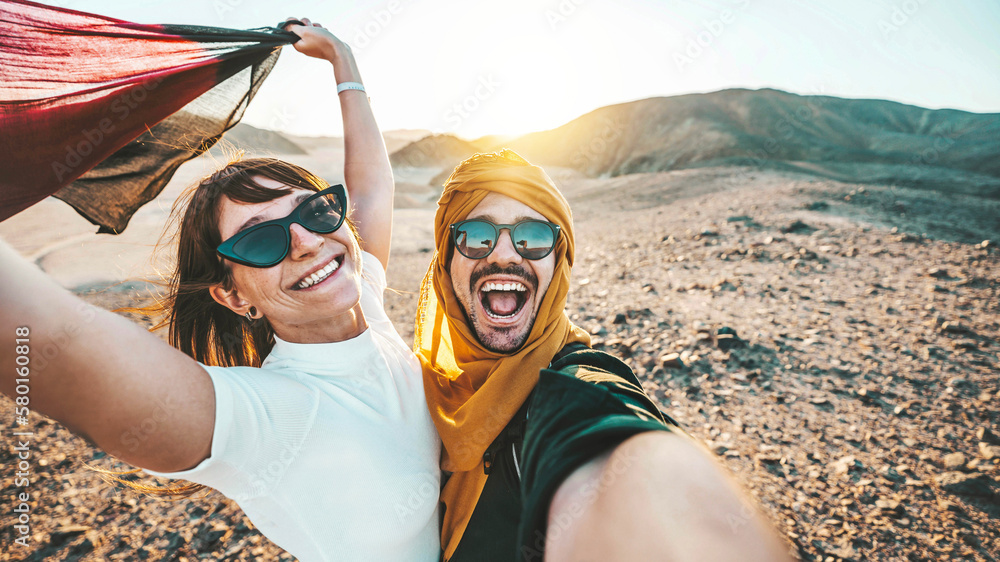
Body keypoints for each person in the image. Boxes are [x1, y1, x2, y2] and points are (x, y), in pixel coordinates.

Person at [0, 20, 440, 562]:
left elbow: (373, 183)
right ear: (234, 297)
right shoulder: (271, 417)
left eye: (314, 208)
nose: (306, 241)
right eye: (260, 240)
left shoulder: (363, 297)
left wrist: (342, 60)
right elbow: (52, 340)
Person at [414, 149, 793, 561]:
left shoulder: (572, 385)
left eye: (534, 237)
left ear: (558, 261)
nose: (504, 255)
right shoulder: (422, 388)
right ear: (445, 261)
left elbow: (614, 447)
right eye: (475, 236)